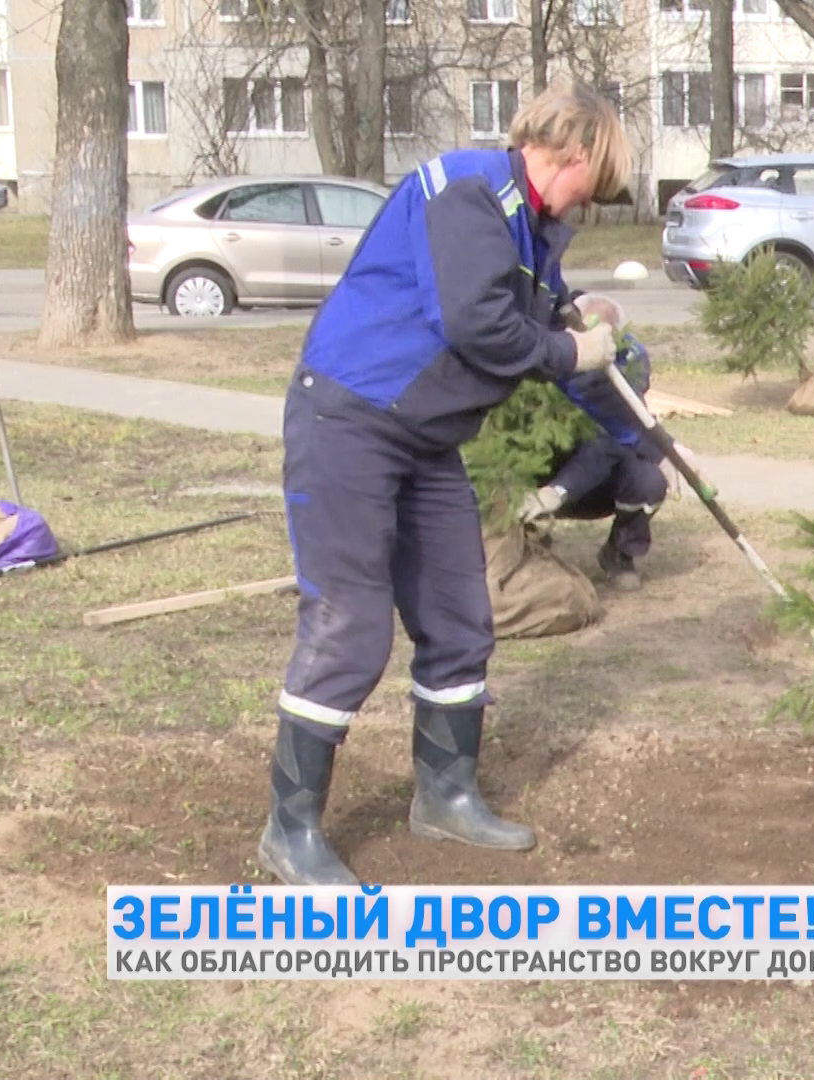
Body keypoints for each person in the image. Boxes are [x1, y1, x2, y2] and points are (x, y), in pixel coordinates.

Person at [259, 82, 634, 887]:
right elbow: (481, 327)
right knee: (351, 623)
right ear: (565, 153)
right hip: (351, 421)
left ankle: (445, 795)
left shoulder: (529, 224)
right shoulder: (470, 194)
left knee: (461, 617)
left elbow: (533, 314)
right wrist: (571, 352)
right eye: (590, 185)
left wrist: (588, 332)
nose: (589, 206)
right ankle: (290, 830)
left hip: (425, 438)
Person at [517, 293, 685, 592]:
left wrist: (559, 490)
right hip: (545, 466)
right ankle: (529, 542)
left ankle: (619, 553)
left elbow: (619, 429)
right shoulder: (548, 356)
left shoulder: (631, 358)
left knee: (647, 477)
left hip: (595, 482)